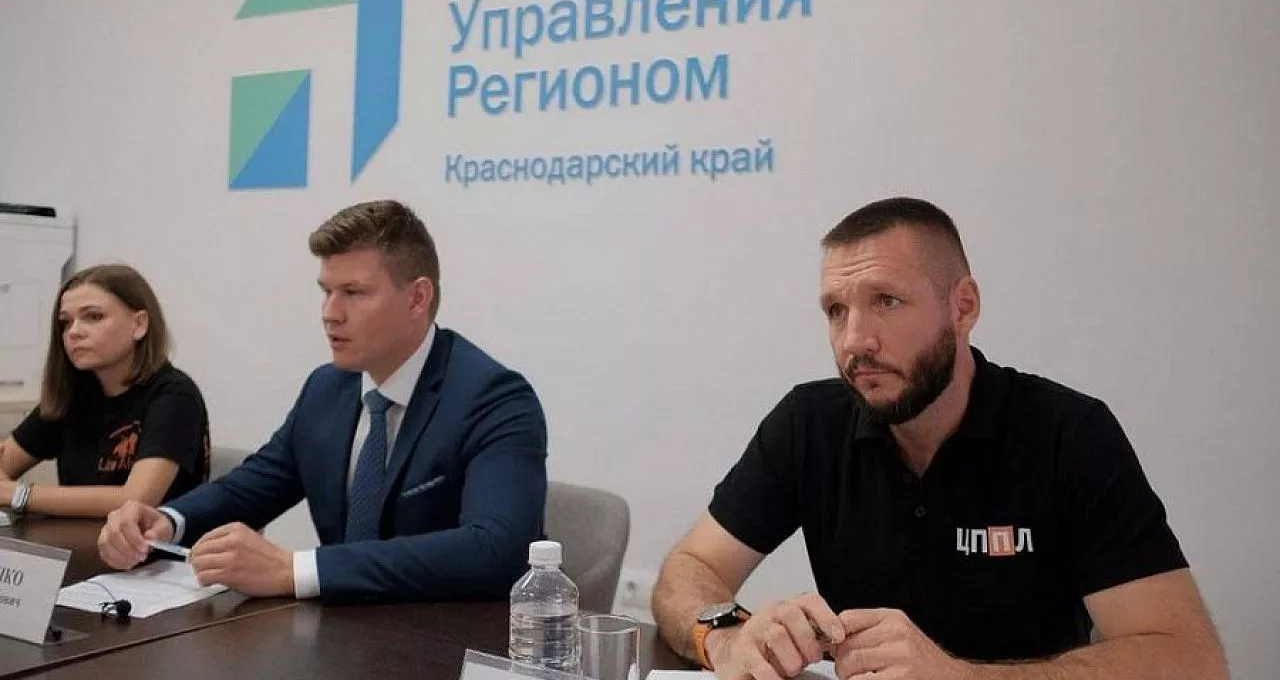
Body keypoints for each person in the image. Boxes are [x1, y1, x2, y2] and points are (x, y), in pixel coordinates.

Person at [652, 198, 1228, 680]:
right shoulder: (809, 422)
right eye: (836, 310)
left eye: (887, 301)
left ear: (963, 307)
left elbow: (1192, 659)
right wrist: (727, 637)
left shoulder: (1066, 433)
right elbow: (691, 568)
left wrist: (961, 678)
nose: (855, 341)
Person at [97, 199, 548, 603]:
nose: (330, 313)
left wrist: (293, 570)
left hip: (437, 641)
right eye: (326, 291)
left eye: (354, 293)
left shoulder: (493, 398)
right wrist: (167, 521)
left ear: (417, 298)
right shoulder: (327, 388)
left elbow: (495, 550)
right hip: (337, 637)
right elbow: (251, 487)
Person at [0, 264, 210, 517]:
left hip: (154, 542)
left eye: (94, 317)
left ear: (139, 325)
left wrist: (19, 494)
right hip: (73, 539)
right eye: (66, 322)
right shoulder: (74, 395)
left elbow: (137, 499)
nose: (74, 332)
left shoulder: (174, 395)